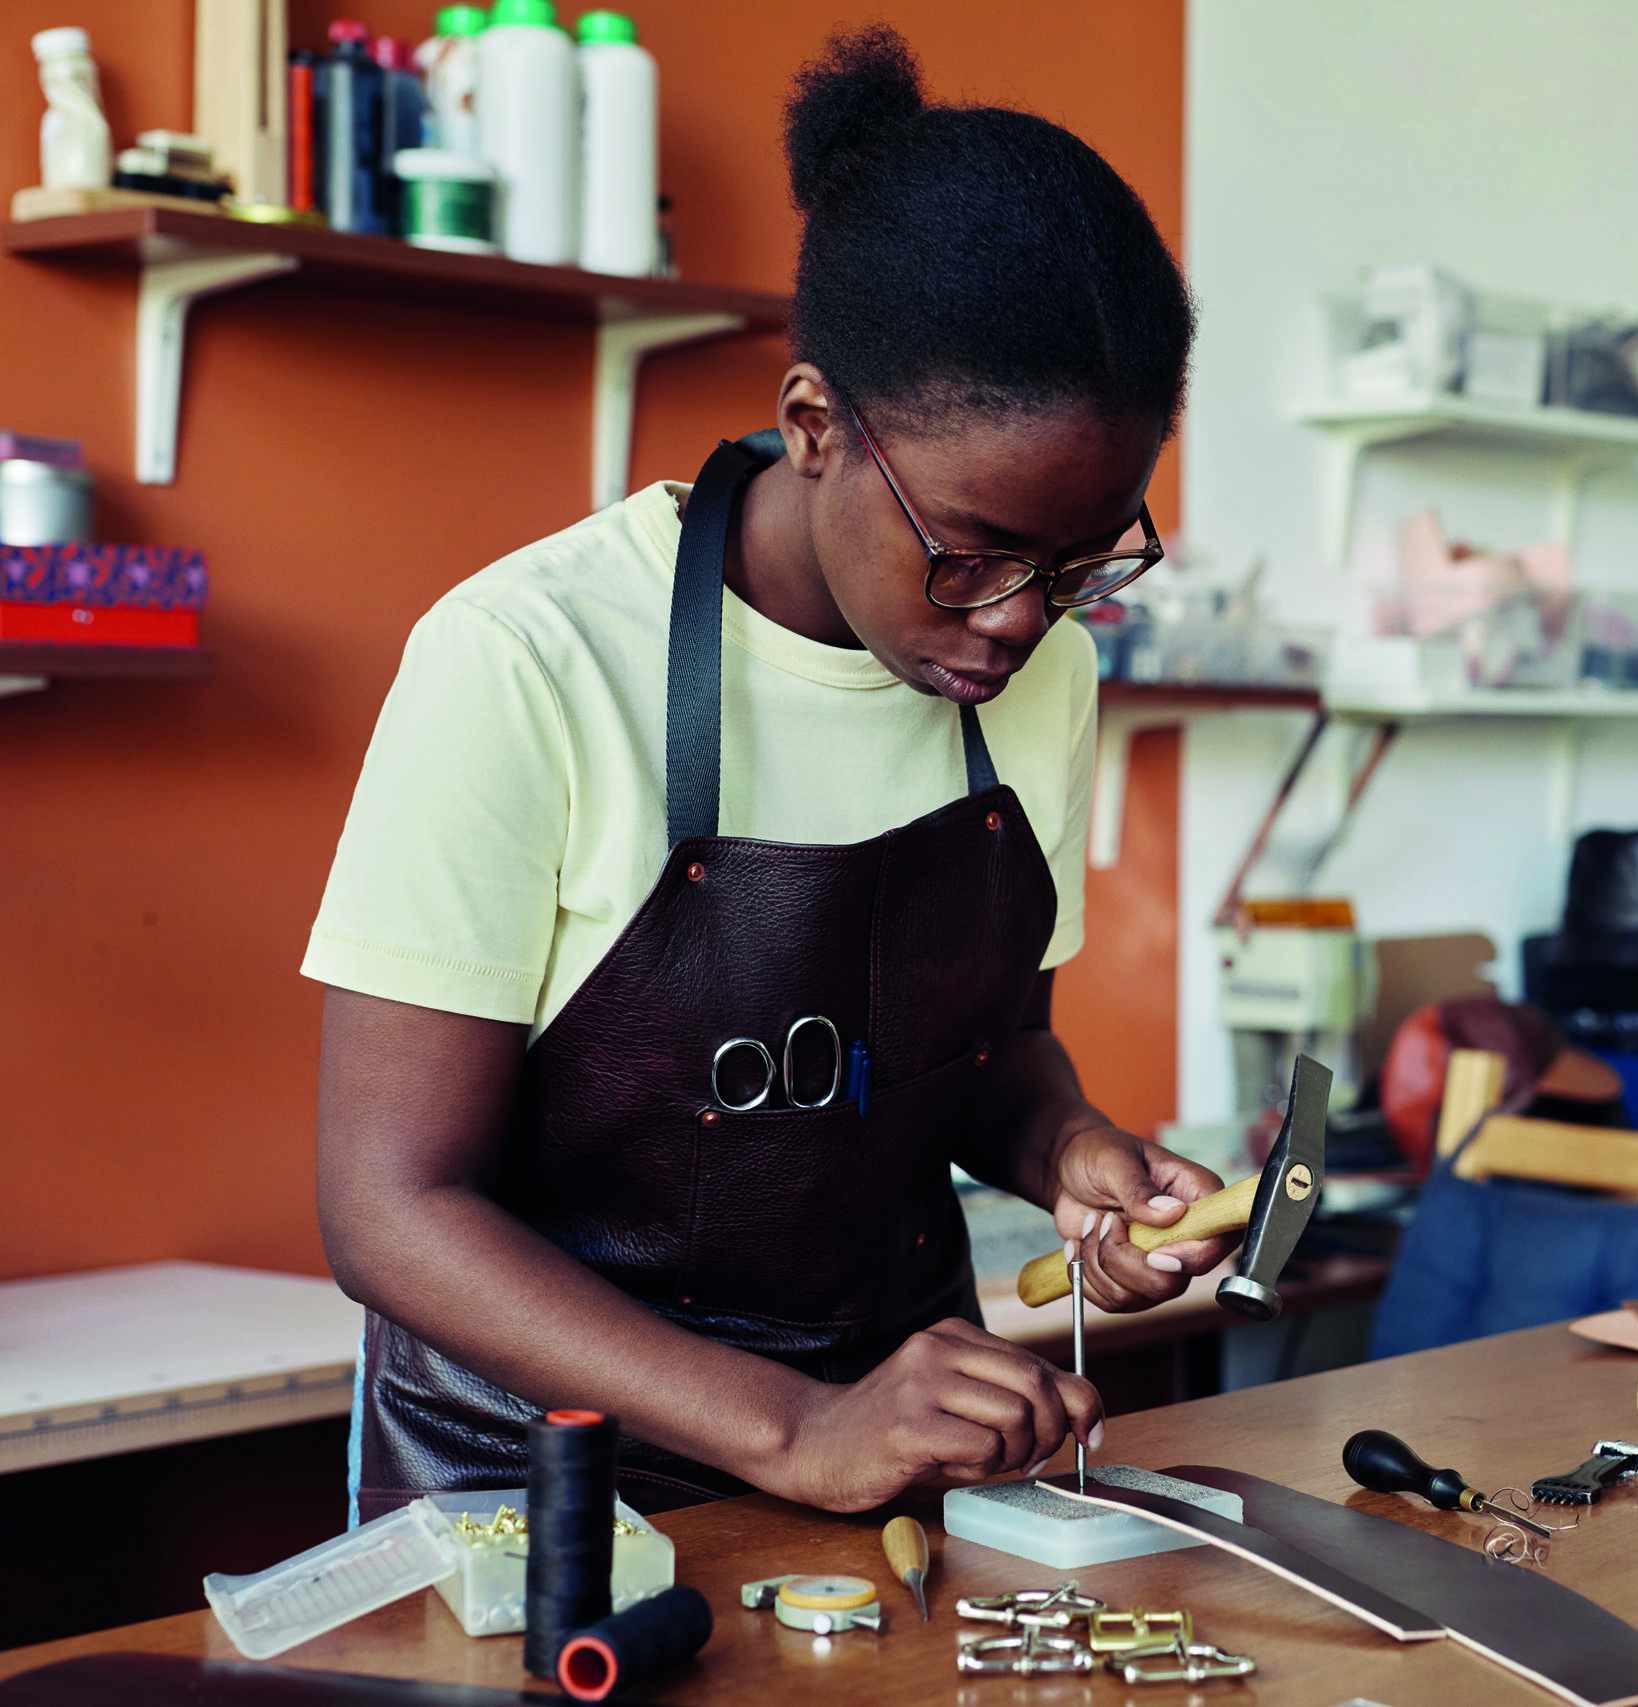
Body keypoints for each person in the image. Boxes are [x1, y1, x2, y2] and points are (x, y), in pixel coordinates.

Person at [307, 26, 1214, 1520]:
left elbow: (977, 1058)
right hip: (532, 1493)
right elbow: (392, 1209)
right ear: (812, 429)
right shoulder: (527, 660)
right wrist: (795, 1427)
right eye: (973, 553)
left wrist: (1068, 1147)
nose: (1017, 621)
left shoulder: (1043, 676)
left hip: (889, 1457)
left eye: (1079, 565)